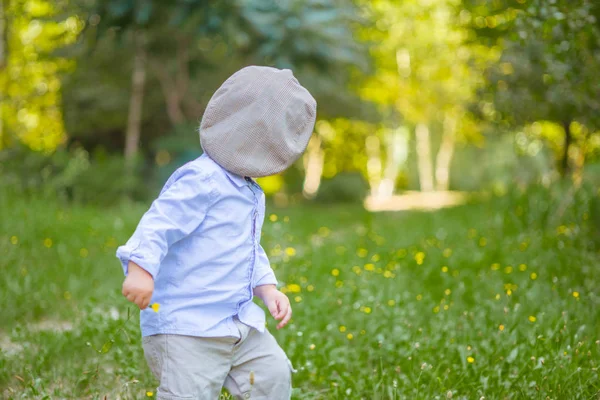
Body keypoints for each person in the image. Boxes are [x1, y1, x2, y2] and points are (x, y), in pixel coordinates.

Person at [116, 66, 317, 400]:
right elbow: (159, 223)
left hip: (238, 325)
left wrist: (267, 290)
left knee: (272, 376)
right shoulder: (202, 179)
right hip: (187, 328)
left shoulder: (249, 191)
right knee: (189, 393)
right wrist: (140, 268)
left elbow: (247, 248)